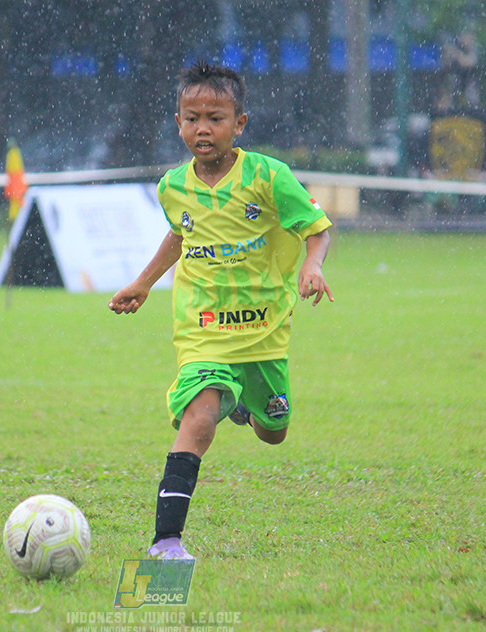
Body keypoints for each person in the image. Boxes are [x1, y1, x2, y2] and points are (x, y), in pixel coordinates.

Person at [108, 62, 334, 560]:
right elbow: (181, 233)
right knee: (201, 414)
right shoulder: (173, 186)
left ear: (240, 124)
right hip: (203, 326)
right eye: (192, 119)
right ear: (178, 123)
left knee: (274, 432)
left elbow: (316, 229)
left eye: (215, 118)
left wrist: (312, 265)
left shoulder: (269, 177)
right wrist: (143, 283)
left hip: (264, 329)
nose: (202, 129)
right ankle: (166, 542)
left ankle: (249, 407)